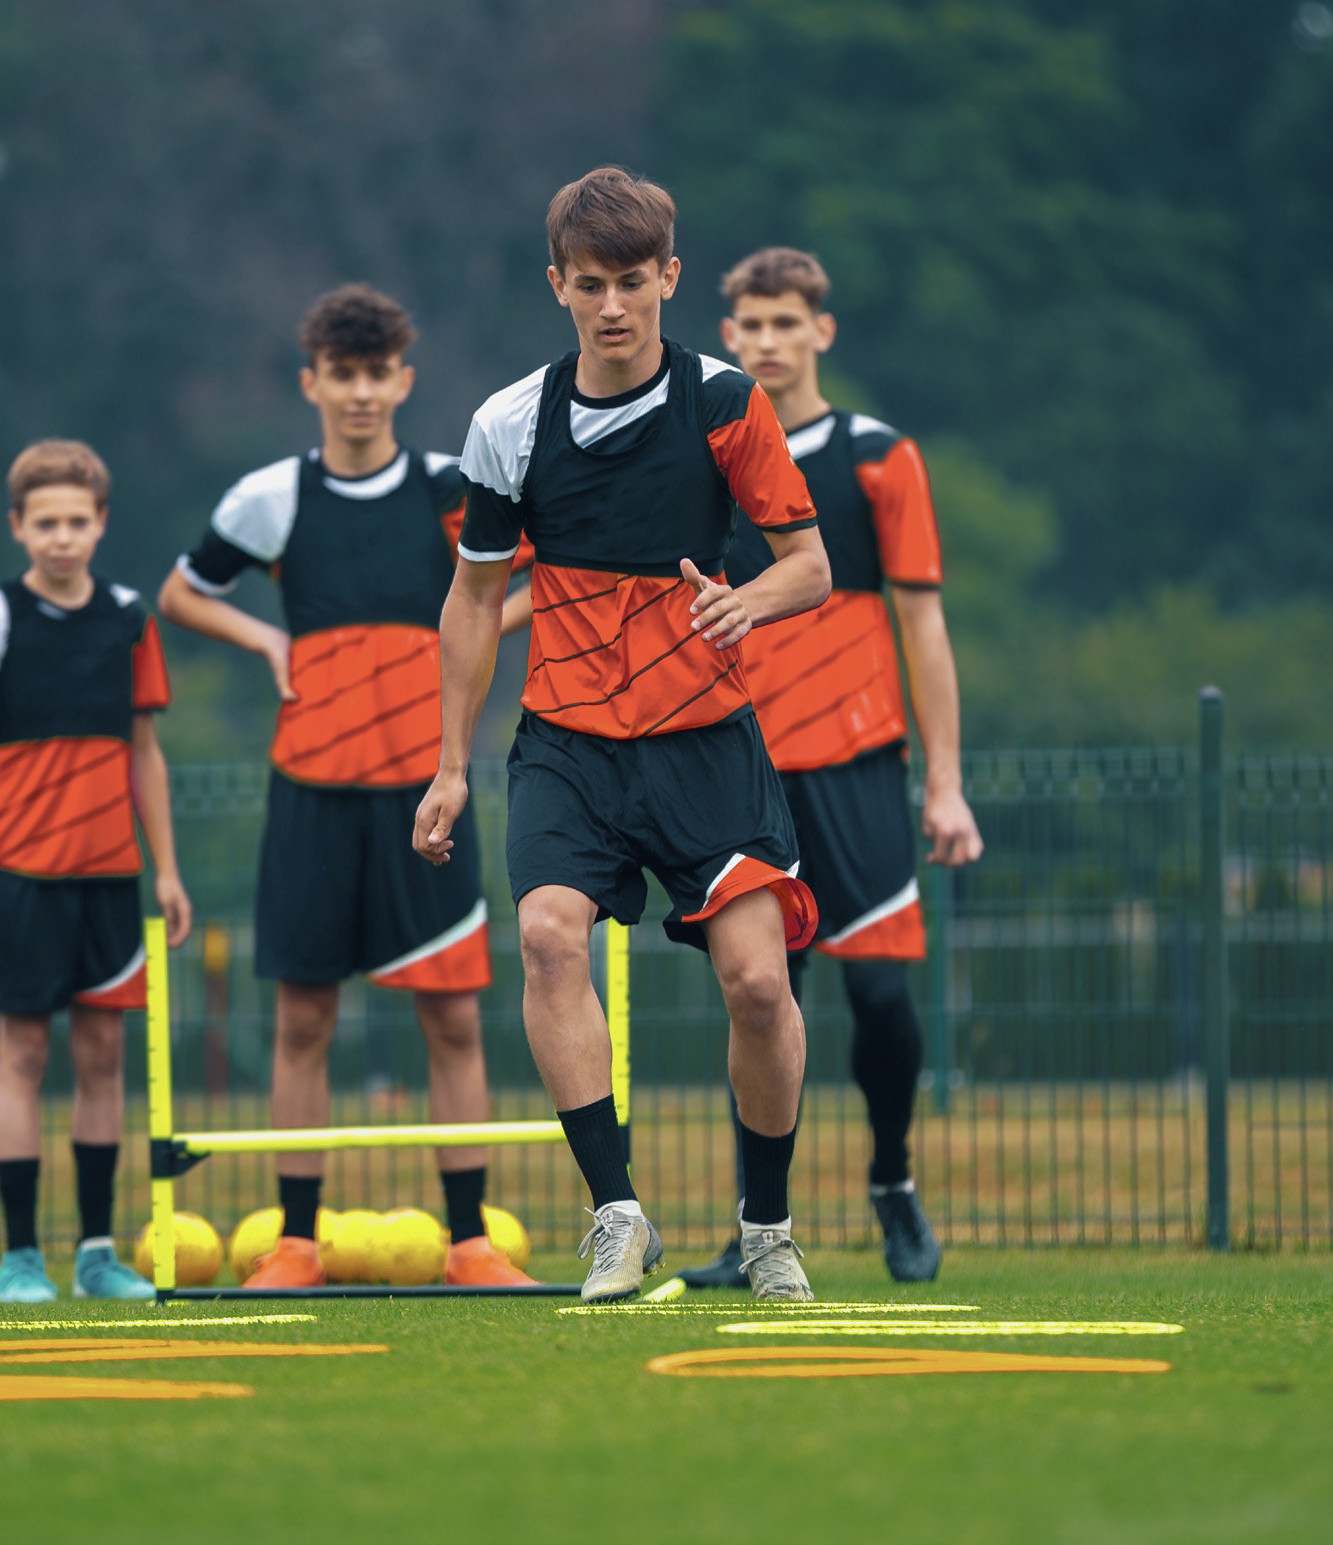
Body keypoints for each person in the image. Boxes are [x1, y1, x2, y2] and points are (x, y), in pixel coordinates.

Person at [415, 168, 832, 1303]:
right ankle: (616, 1216)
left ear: (669, 279)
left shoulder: (723, 404)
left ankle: (765, 1230)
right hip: (567, 741)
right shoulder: (507, 423)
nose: (612, 306)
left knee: (756, 985)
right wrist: (450, 763)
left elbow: (808, 564)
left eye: (633, 283)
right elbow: (470, 599)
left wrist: (747, 601)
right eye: (589, 284)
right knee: (549, 937)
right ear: (555, 286)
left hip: (705, 742)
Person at [158, 284, 539, 1289]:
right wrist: (263, 634)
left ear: (403, 381)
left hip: (427, 791)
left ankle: (468, 1245)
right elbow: (180, 594)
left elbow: (532, 579)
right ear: (311, 383)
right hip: (309, 793)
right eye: (342, 375)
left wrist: (455, 645)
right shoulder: (268, 498)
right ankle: (295, 1243)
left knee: (451, 1018)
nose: (360, 393)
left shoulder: (451, 487)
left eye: (377, 375)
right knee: (302, 1018)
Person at [676, 247, 985, 1289]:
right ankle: (757, 1229)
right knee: (758, 1002)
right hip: (740, 769)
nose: (765, 340)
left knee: (884, 1001)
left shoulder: (873, 457)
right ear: (726, 335)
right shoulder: (707, 457)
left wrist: (942, 781)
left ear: (821, 332)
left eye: (784, 322)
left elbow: (924, 626)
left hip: (857, 768)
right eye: (749, 324)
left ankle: (892, 1184)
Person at [0, 439, 192, 1304]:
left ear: (102, 524)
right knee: (21, 1053)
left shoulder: (129, 618)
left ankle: (95, 1253)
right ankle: (19, 1255)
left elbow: (145, 754)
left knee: (101, 1057)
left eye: (76, 522)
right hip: (20, 879)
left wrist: (166, 868)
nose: (61, 537)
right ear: (17, 527)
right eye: (44, 522)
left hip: (111, 881)